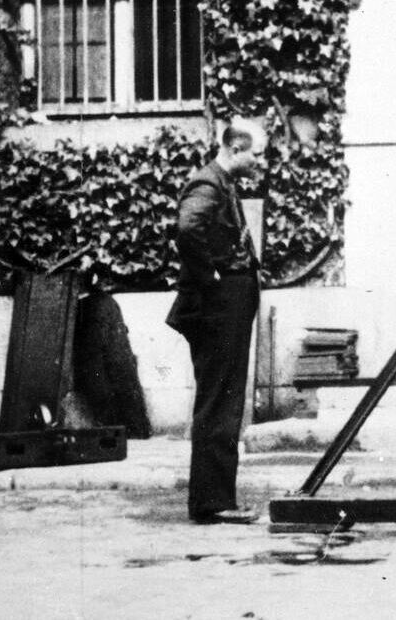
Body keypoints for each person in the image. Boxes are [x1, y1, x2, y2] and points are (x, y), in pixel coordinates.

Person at [165, 119, 267, 525]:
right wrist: (212, 278)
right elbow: (188, 229)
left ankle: (215, 498)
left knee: (224, 400)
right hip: (219, 309)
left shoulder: (223, 182)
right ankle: (213, 502)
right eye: (257, 154)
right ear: (236, 149)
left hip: (228, 306)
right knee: (220, 402)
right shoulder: (208, 184)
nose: (260, 161)